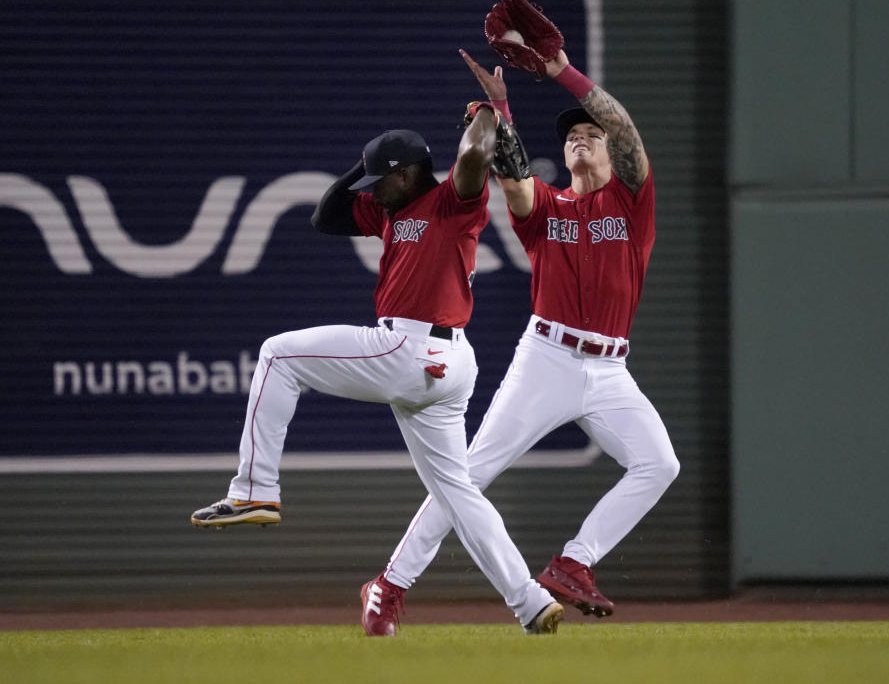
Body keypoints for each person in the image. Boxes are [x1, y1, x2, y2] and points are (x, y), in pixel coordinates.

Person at [189, 108, 563, 636]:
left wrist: (487, 112)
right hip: (444, 365)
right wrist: (367, 165)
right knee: (458, 493)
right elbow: (326, 216)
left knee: (277, 355)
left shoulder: (452, 202)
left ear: (409, 172)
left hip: (410, 347)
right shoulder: (389, 210)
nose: (372, 190)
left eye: (380, 179)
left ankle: (254, 490)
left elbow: (476, 152)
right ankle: (529, 602)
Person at [360, 45, 680, 634]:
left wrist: (560, 73)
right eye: (571, 135)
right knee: (469, 474)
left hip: (611, 371)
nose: (581, 138)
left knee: (659, 463)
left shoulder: (634, 204)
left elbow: (626, 129)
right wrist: (501, 108)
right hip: (548, 359)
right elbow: (511, 175)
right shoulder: (547, 207)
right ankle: (389, 585)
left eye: (591, 133)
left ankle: (574, 563)